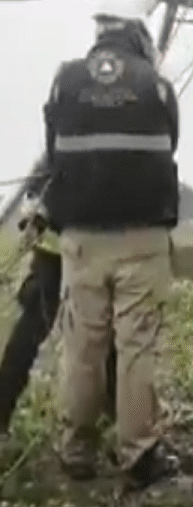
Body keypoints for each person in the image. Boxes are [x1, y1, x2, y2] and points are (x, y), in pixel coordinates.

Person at [43, 0, 181, 488]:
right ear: (139, 31)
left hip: (80, 238)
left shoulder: (65, 80)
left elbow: (53, 150)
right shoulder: (158, 87)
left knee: (82, 347)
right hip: (141, 240)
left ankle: (76, 449)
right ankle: (137, 453)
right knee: (135, 348)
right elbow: (170, 144)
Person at [0, 180, 117, 438]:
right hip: (74, 245)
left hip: (77, 243)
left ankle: (111, 417)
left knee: (105, 331)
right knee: (104, 330)